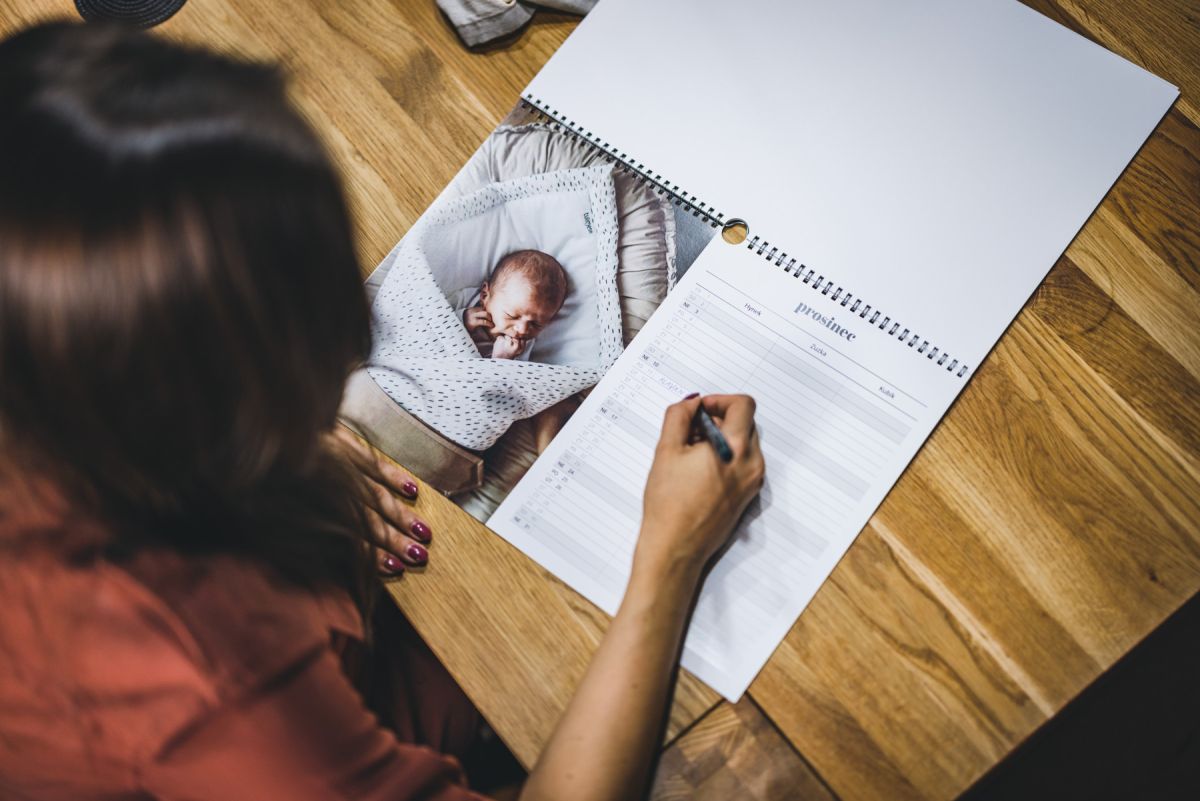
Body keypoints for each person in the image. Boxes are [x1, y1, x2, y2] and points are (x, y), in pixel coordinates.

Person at [0, 21, 765, 801]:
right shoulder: (199, 678)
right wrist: (668, 557)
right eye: (294, 348)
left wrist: (285, 448)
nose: (354, 339)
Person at [461, 249, 567, 361]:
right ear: (484, 296)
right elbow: (440, 319)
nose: (522, 330)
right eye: (512, 316)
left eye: (536, 324)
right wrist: (461, 321)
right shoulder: (467, 301)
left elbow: (507, 377)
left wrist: (504, 359)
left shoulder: (519, 347)